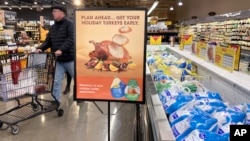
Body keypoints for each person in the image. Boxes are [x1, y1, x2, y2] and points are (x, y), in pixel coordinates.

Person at [35, 4, 77, 104]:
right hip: (58, 60)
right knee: (55, 81)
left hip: (70, 59)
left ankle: (80, 96)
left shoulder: (70, 24)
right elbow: (48, 41)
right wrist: (40, 48)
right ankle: (55, 101)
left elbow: (71, 39)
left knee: (78, 80)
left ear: (62, 12)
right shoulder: (53, 27)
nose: (53, 13)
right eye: (52, 11)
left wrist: (61, 49)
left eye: (55, 11)